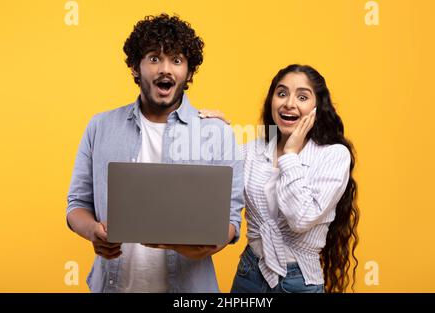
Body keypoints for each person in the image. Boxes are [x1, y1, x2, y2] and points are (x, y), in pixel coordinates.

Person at [66, 14, 244, 293]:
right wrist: (93, 232)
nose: (166, 69)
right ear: (135, 68)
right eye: (153, 58)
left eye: (176, 60)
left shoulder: (216, 133)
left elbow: (231, 220)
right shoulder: (100, 127)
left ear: (189, 72)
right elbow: (76, 204)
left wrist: (210, 242)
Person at [199, 64, 359, 293]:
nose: (289, 103)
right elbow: (204, 182)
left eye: (302, 96)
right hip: (250, 273)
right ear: (271, 101)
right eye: (281, 93)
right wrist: (214, 130)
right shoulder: (250, 151)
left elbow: (301, 219)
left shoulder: (333, 156)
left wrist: (290, 155)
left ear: (317, 107)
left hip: (299, 281)